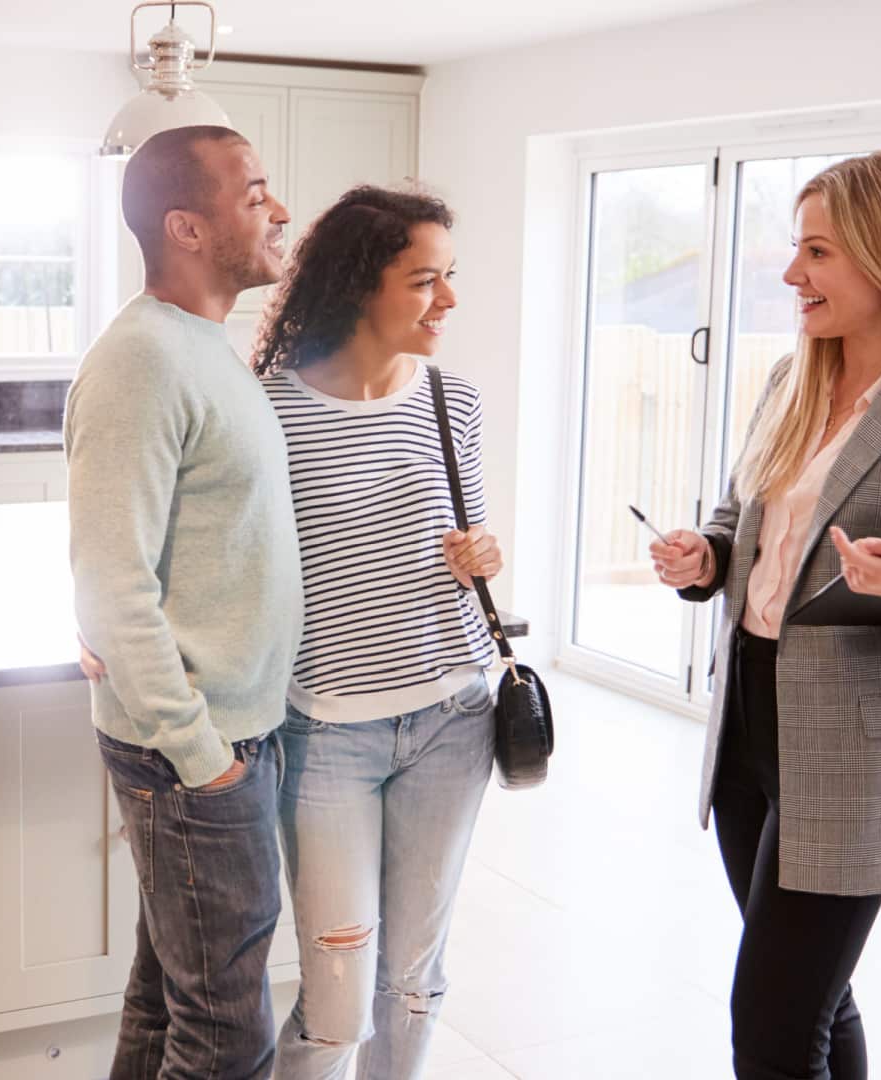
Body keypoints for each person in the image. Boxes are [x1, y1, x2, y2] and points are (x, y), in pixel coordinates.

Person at [649, 150, 881, 1080]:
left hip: (861, 748)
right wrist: (707, 557)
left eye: (817, 252)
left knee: (772, 1028)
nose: (791, 275)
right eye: (796, 249)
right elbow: (742, 519)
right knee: (816, 1000)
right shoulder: (794, 380)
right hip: (751, 713)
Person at [65, 124, 300, 1080]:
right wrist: (203, 760)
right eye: (254, 193)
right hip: (195, 750)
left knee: (169, 1002)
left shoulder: (207, 347)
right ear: (186, 228)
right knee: (226, 1037)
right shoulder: (142, 360)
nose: (278, 208)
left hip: (220, 739)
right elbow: (112, 582)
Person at [254, 185, 503, 1080]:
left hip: (453, 718)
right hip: (327, 735)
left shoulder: (453, 401)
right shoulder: (269, 411)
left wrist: (480, 554)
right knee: (337, 1001)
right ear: (362, 284)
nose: (449, 299)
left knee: (413, 982)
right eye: (424, 279)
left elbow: (464, 540)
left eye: (449, 277)